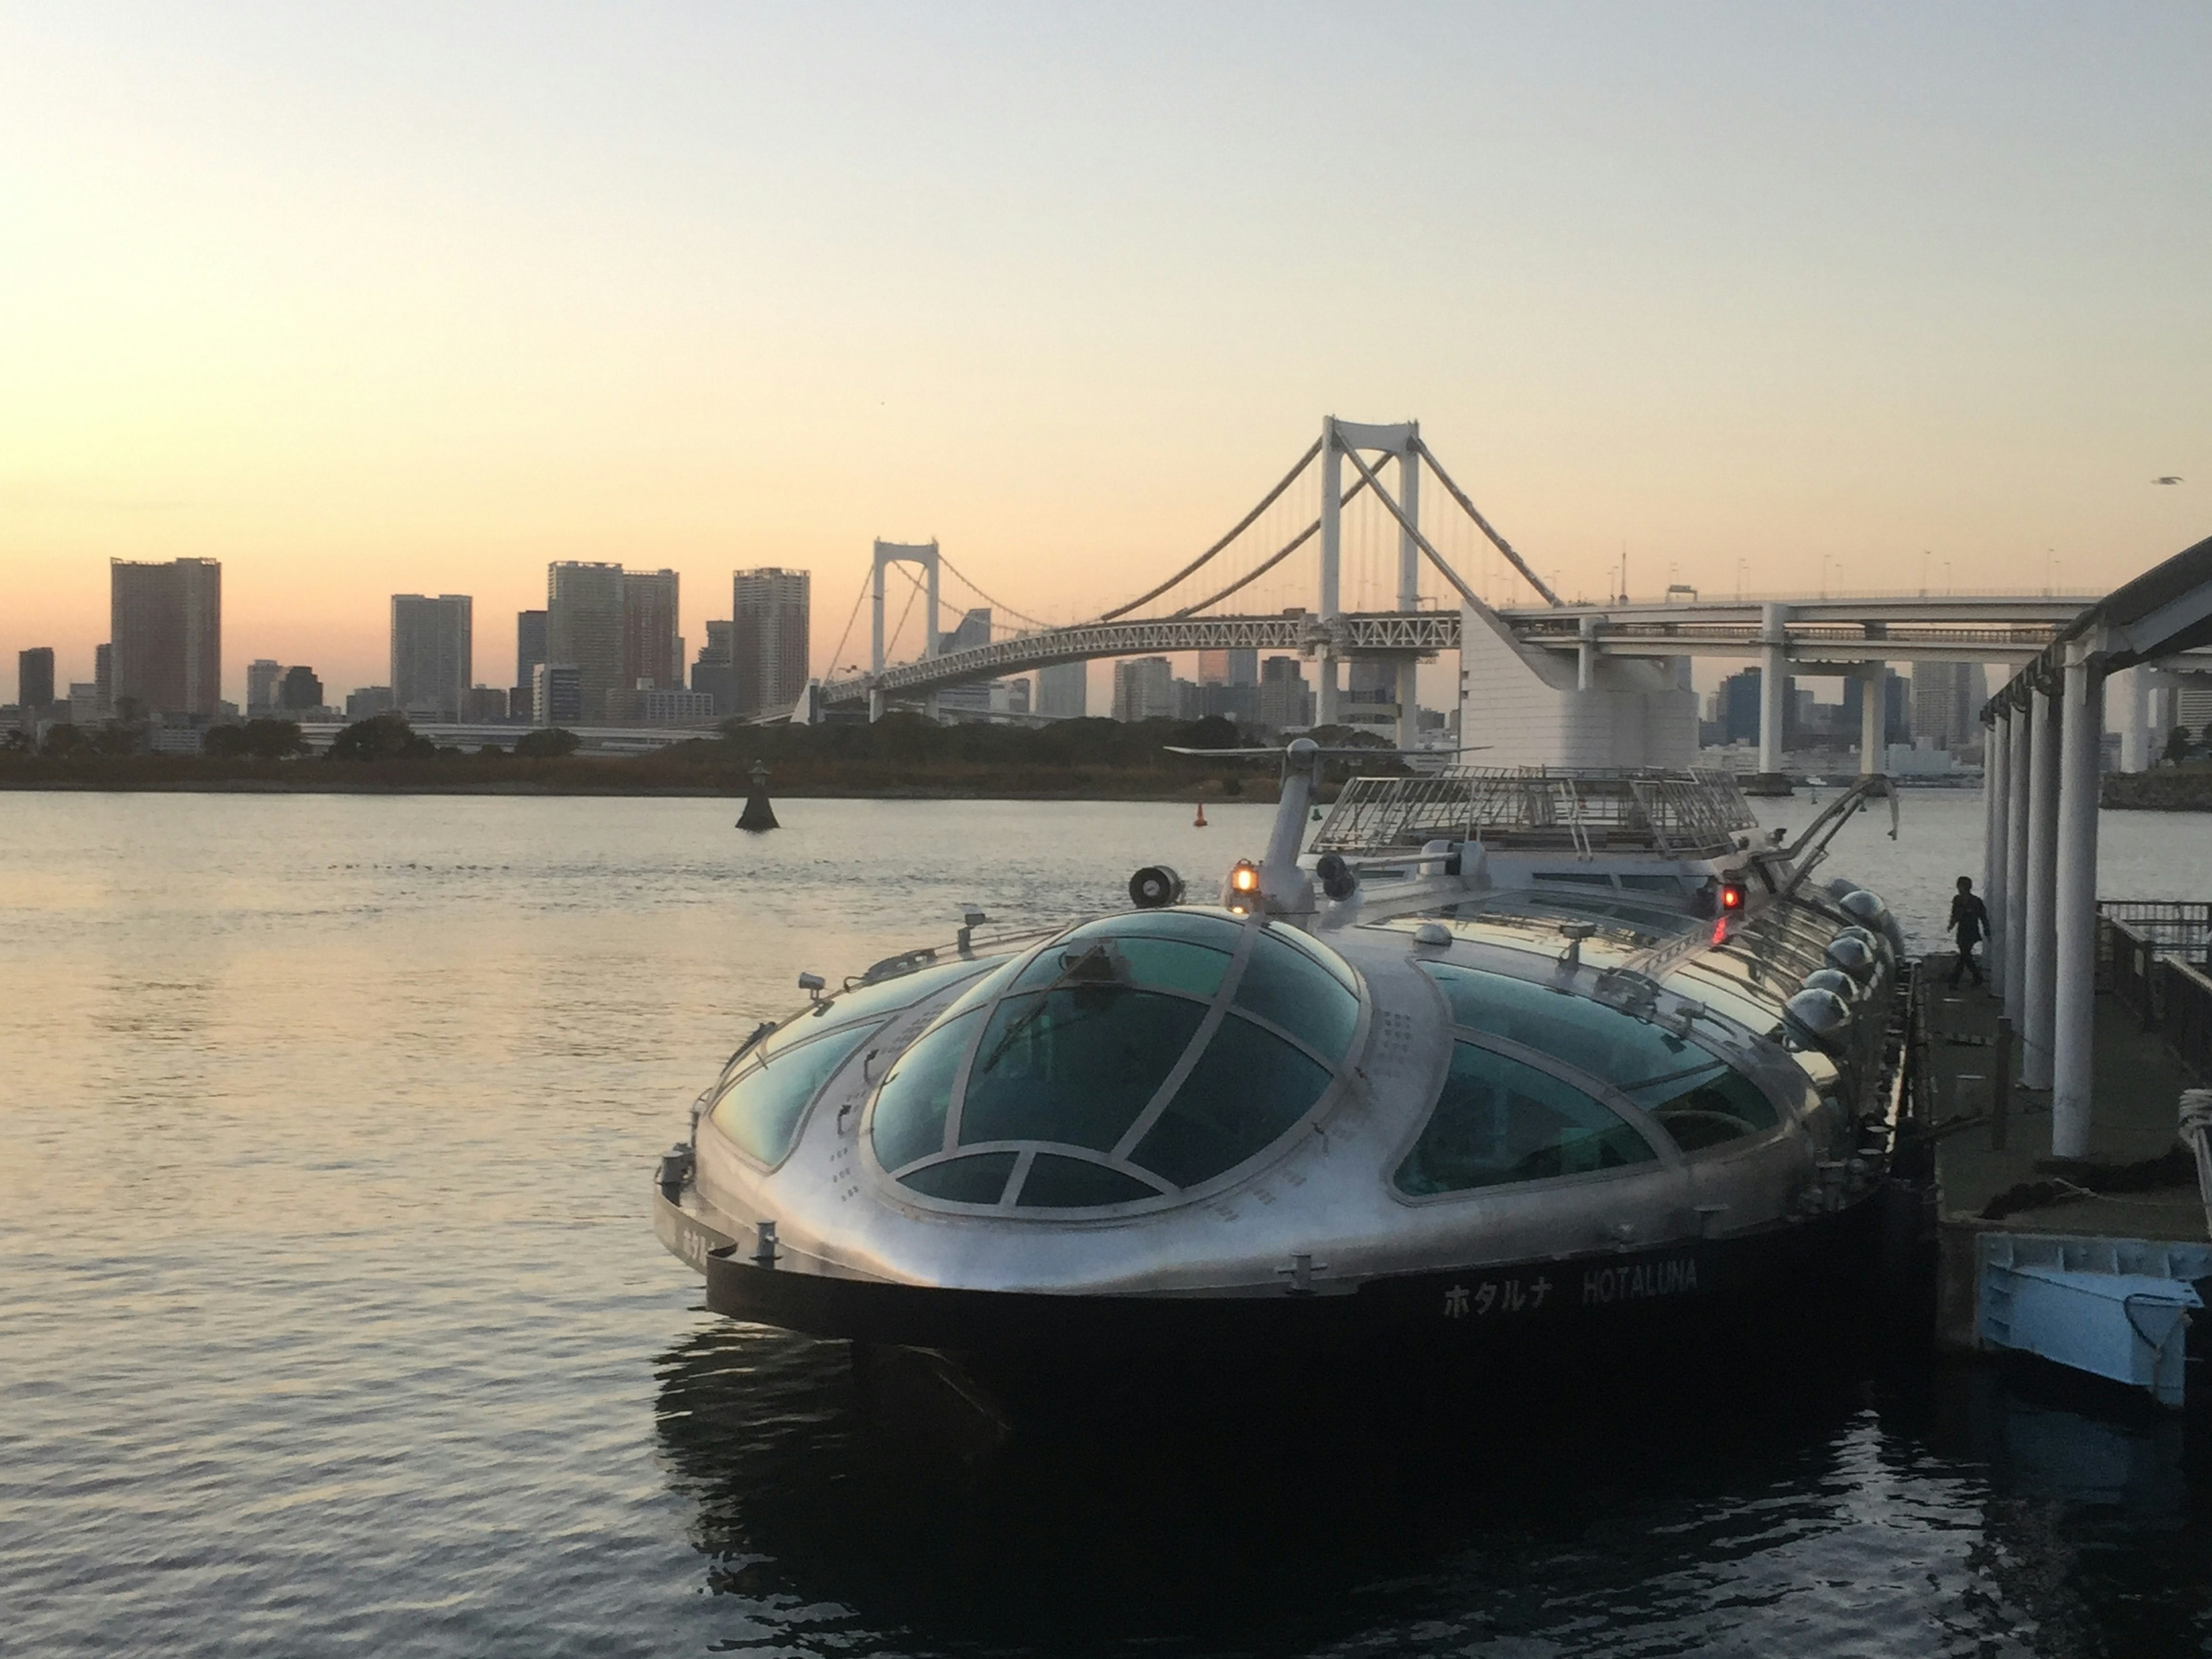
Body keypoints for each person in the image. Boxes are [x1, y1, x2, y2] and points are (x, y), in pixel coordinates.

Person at [1948, 875, 1990, 989]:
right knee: (1965, 955)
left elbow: (1983, 917)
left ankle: (1955, 980)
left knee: (1964, 954)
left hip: (1971, 930)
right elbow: (1955, 915)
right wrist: (1951, 925)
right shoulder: (1957, 900)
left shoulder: (1976, 901)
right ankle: (1976, 977)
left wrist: (1987, 929)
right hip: (1962, 930)